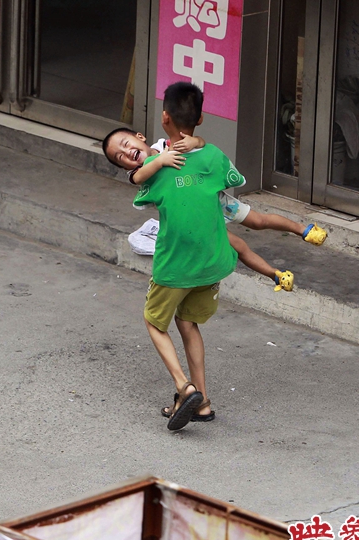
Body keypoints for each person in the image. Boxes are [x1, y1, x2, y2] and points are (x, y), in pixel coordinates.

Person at [125, 82, 246, 430]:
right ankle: (202, 403)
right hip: (212, 262)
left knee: (153, 320)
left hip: (176, 263)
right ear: (202, 118)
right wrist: (201, 144)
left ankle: (184, 386)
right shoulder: (214, 156)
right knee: (187, 322)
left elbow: (138, 183)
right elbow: (226, 175)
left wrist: (157, 159)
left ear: (164, 118)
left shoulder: (160, 168)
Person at [103, 128, 329, 292]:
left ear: (139, 137)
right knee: (239, 246)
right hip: (199, 219)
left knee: (259, 221)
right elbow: (140, 176)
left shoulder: (167, 143)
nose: (126, 152)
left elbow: (202, 143)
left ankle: (304, 229)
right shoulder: (138, 174)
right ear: (124, 167)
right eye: (119, 157)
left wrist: (194, 142)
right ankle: (276, 275)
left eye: (125, 143)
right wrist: (161, 161)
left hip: (216, 200)